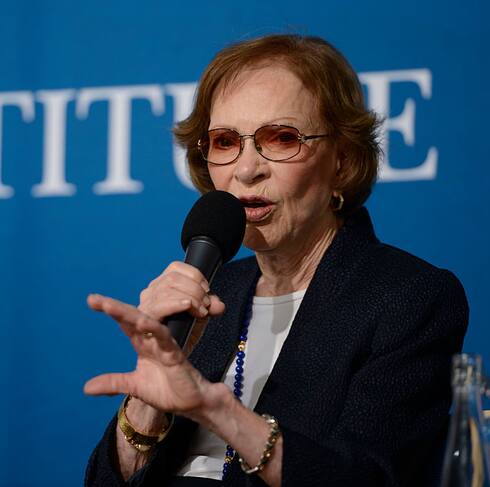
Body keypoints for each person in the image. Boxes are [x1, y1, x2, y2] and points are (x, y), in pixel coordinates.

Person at [83, 34, 469, 486]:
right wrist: (147, 401)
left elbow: (369, 477)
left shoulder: (408, 297)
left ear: (342, 159)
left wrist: (220, 412)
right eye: (225, 141)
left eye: (282, 138)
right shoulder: (212, 292)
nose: (247, 170)